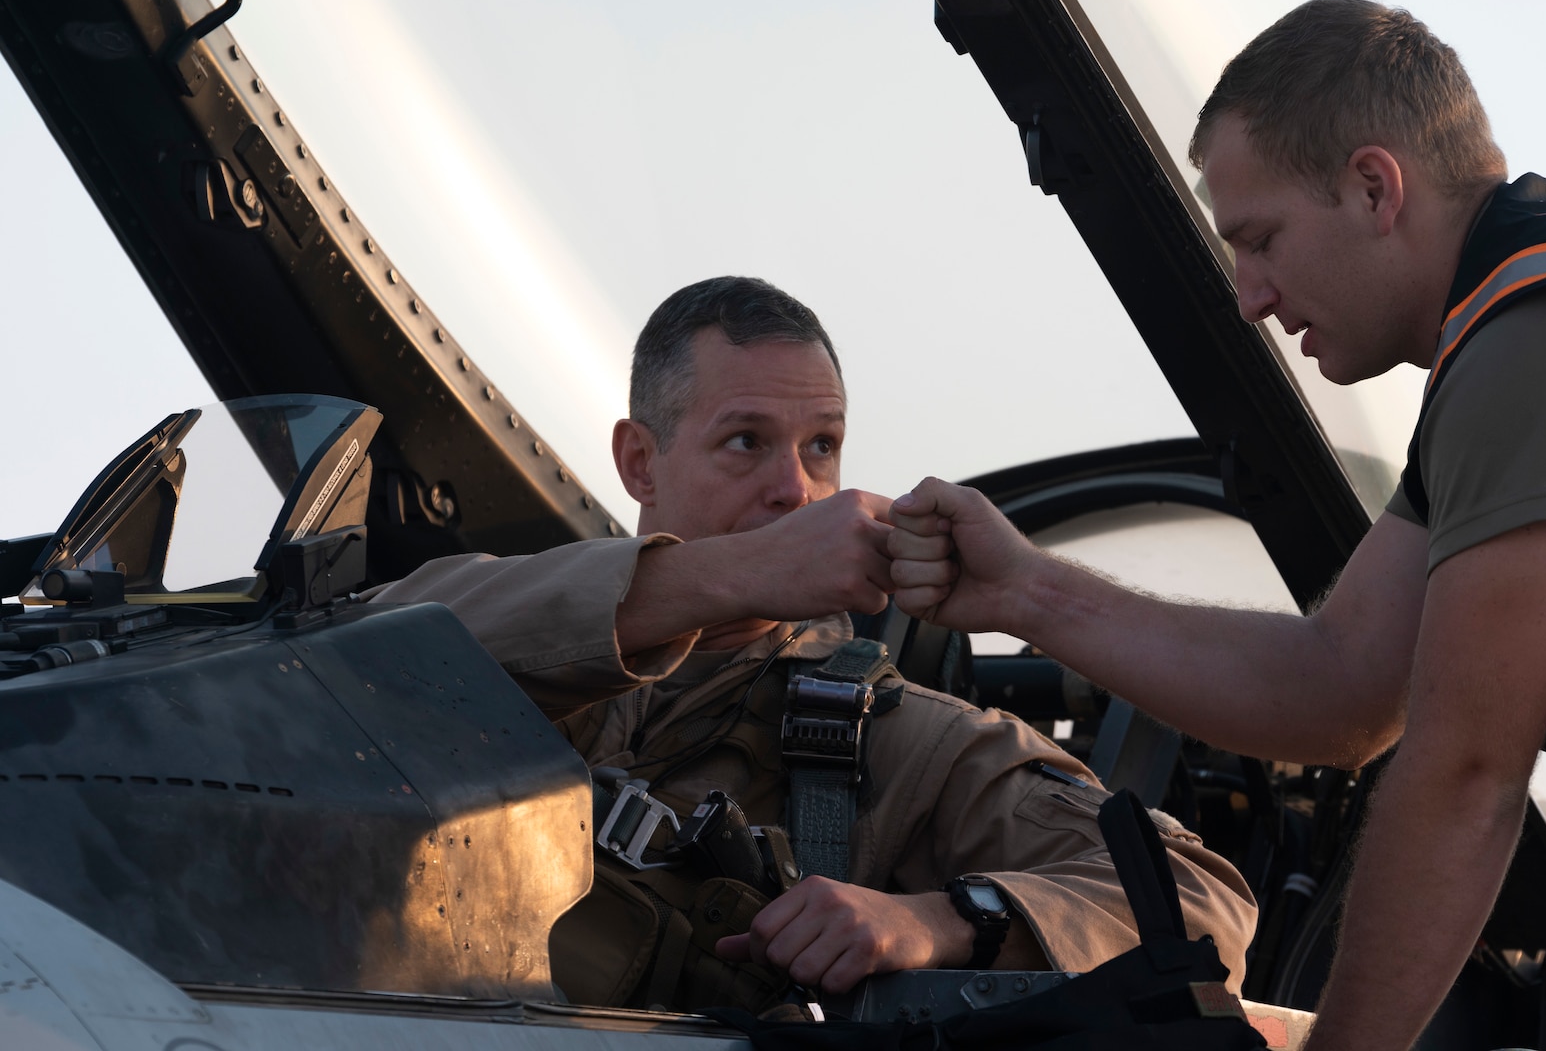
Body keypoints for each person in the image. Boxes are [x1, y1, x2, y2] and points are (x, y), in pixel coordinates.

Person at [887, 0, 1546, 1051]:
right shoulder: (1516, 348)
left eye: (1261, 239)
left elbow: (1465, 775)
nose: (1250, 298)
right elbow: (1342, 686)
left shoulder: (1536, 340)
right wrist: (1021, 592)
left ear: (1374, 187)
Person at [365, 275, 1256, 1012]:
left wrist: (942, 920)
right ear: (640, 461)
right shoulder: (505, 630)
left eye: (821, 447)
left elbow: (1203, 900)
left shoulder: (899, 742)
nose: (796, 489)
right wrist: (733, 574)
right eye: (746, 442)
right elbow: (337, 653)